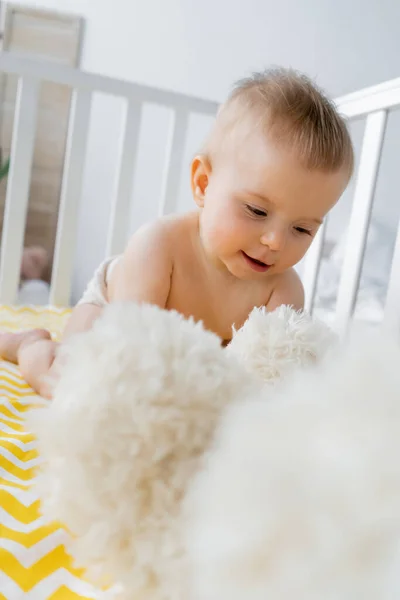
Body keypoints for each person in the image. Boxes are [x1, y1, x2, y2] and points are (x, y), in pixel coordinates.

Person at [0, 67, 354, 398]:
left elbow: (267, 373)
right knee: (76, 381)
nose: (275, 241)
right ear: (203, 184)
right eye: (257, 211)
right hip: (114, 311)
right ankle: (28, 345)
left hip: (195, 354)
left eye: (302, 229)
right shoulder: (158, 246)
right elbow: (126, 343)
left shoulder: (284, 289)